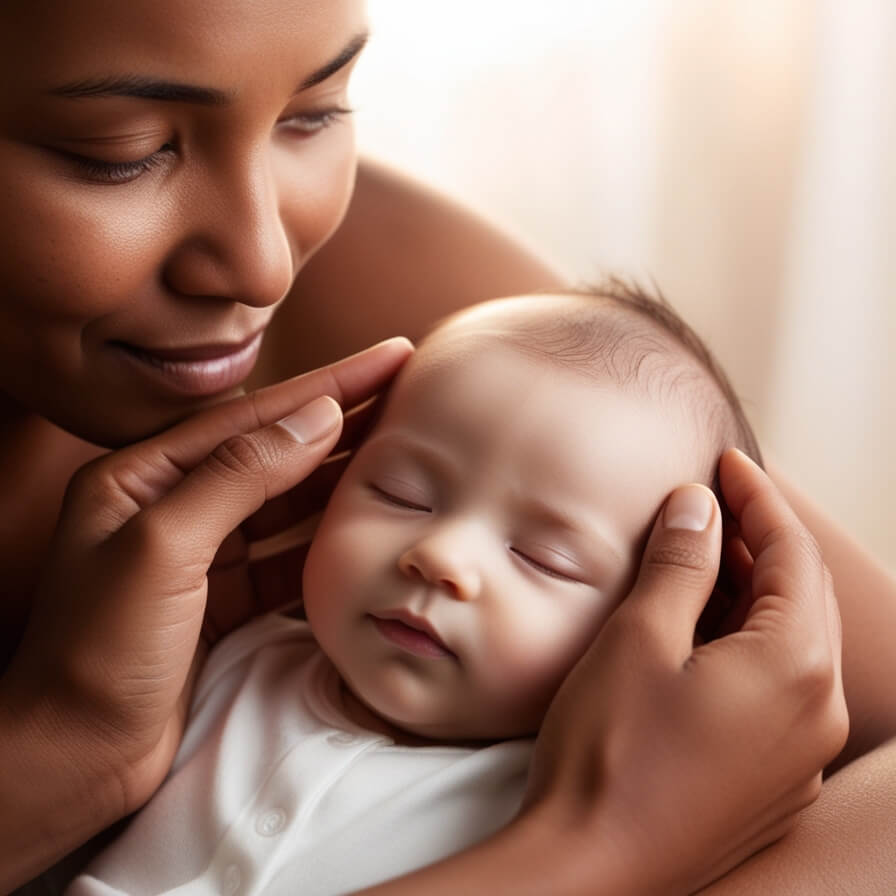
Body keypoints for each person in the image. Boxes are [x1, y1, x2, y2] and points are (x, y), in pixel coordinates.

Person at [0, 1, 890, 893]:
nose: (266, 267)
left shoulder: (433, 311)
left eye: (315, 110)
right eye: (119, 151)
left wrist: (82, 741)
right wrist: (598, 852)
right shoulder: (247, 672)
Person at [67, 284, 773, 894]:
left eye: (544, 558)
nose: (439, 557)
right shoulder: (222, 663)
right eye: (403, 495)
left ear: (670, 625)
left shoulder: (555, 805)